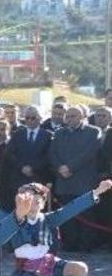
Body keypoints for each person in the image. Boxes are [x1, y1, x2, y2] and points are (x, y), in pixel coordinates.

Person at [48, 107, 104, 252]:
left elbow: (89, 153)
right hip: (64, 181)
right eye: (67, 116)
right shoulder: (59, 133)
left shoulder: (93, 131)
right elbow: (52, 153)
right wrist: (60, 167)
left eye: (73, 116)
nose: (69, 119)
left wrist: (70, 167)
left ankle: (86, 245)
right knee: (67, 216)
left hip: (83, 181)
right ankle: (70, 244)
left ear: (82, 117)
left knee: (86, 215)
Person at [2, 106, 52, 212]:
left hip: (38, 179)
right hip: (19, 179)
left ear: (40, 118)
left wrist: (33, 168)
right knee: (19, 212)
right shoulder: (18, 134)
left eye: (33, 118)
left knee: (35, 211)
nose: (29, 121)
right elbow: (9, 154)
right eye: (27, 118)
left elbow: (49, 156)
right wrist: (22, 167)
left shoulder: (47, 135)